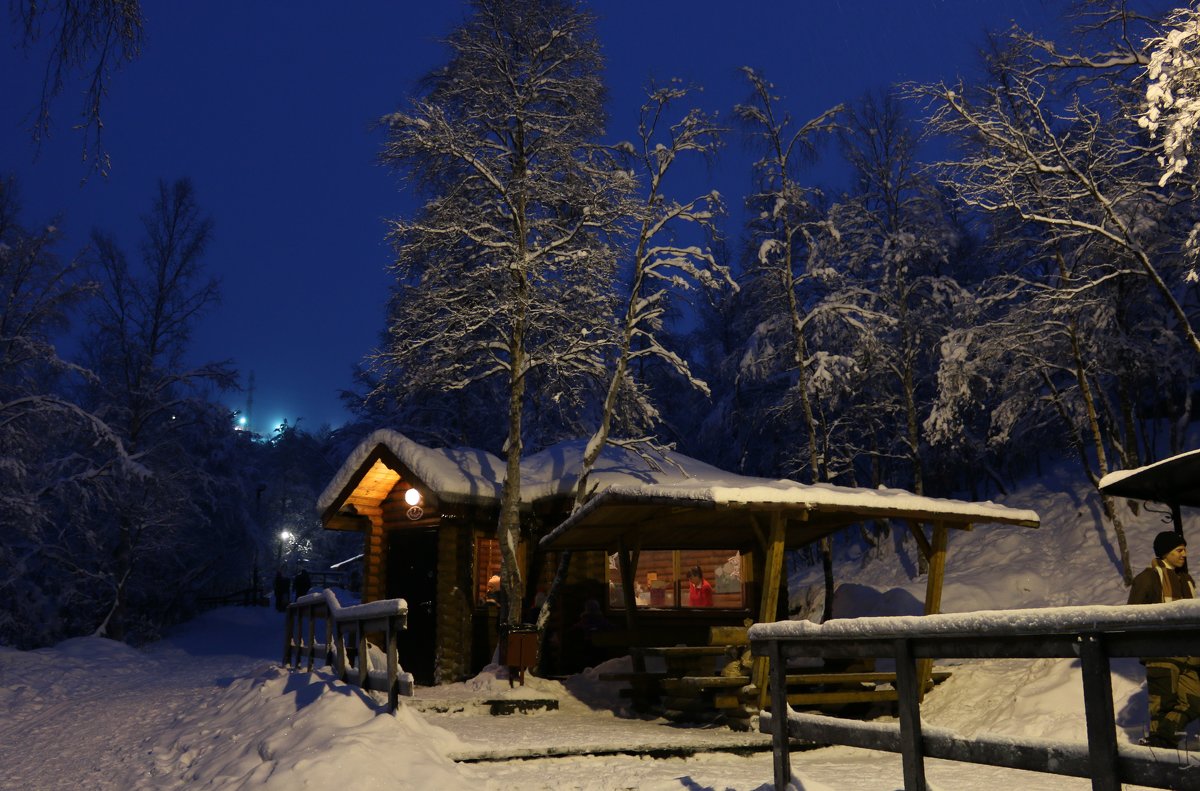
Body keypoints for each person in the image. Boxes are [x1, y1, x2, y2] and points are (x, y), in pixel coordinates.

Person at [1128, 530, 1200, 748]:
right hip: (1162, 654)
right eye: (1179, 550)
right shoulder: (1147, 578)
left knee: (1195, 700)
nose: (1184, 554)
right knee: (1162, 705)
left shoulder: (1186, 580)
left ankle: (1162, 739)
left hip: (1190, 655)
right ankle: (1158, 751)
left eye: (1184, 549)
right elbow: (1132, 615)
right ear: (1165, 553)